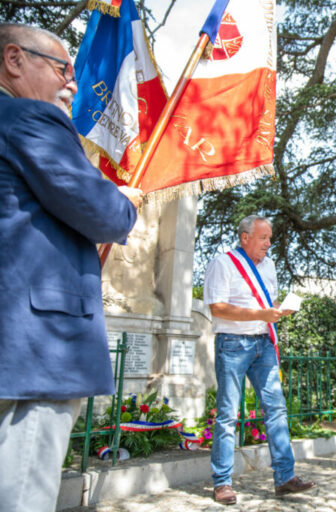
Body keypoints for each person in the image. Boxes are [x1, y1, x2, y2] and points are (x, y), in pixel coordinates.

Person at [0, 23, 142, 511]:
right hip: (36, 350)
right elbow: (100, 212)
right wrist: (125, 202)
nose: (75, 84)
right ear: (14, 60)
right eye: (63, 68)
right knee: (23, 492)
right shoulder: (27, 119)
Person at [203, 215, 316, 504]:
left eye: (269, 237)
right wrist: (261, 314)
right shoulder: (223, 263)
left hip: (263, 343)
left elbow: (270, 302)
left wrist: (280, 310)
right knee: (228, 414)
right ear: (245, 238)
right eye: (264, 237)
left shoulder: (269, 266)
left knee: (276, 409)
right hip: (232, 343)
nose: (269, 243)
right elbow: (217, 308)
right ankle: (222, 483)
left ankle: (285, 478)